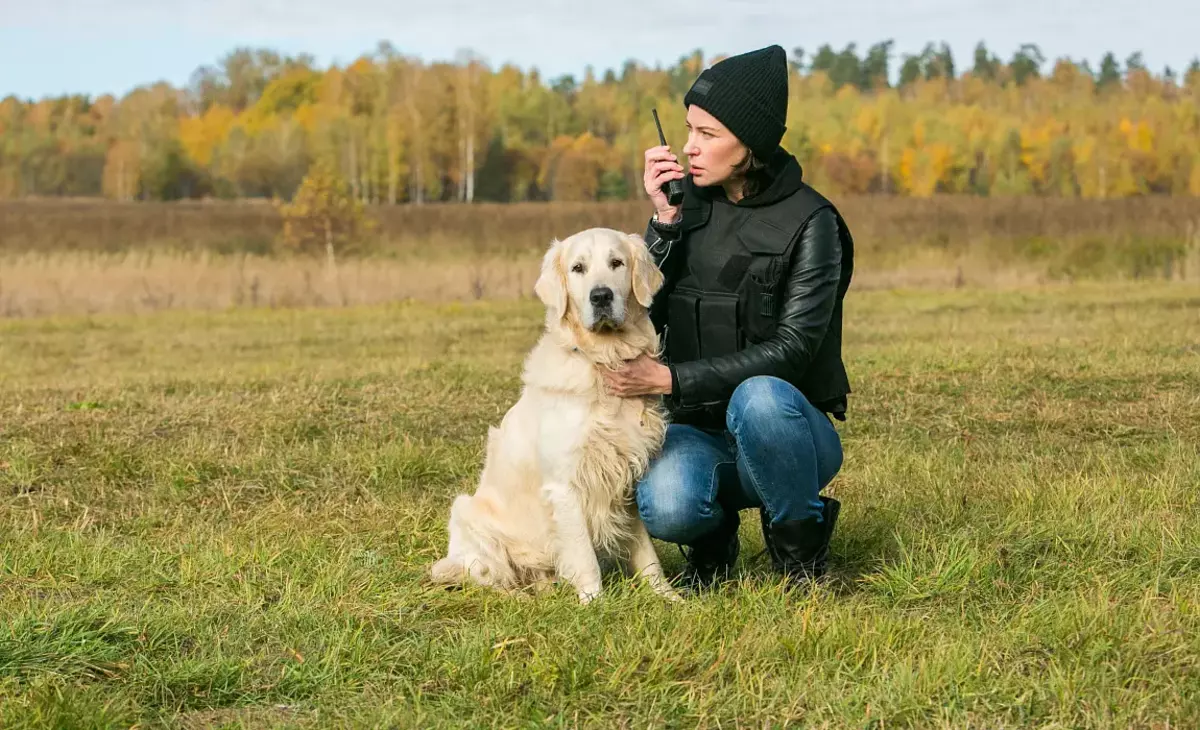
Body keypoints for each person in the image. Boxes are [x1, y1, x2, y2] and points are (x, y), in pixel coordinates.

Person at [600, 44, 854, 589]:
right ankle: (713, 550)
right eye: (688, 130)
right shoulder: (682, 205)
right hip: (697, 427)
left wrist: (670, 377)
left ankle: (801, 558)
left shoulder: (814, 223)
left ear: (752, 144)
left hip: (789, 433)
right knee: (667, 506)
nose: (689, 148)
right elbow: (641, 312)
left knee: (759, 395)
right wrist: (663, 222)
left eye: (708, 135)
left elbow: (794, 351)